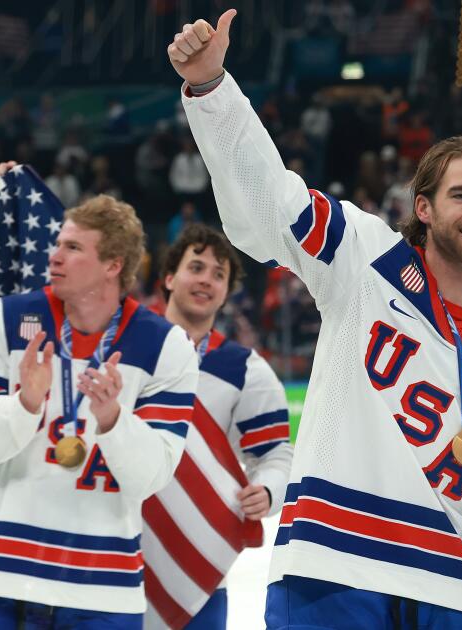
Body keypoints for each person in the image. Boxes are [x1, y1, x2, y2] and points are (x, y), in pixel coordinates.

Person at [169, 10, 462, 628]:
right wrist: (213, 90)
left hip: (456, 590)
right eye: (461, 196)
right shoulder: (365, 256)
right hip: (333, 568)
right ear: (422, 207)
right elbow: (269, 204)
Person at [0, 168, 199, 629]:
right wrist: (24, 404)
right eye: (59, 242)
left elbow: (156, 473)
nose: (54, 255)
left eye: (72, 248)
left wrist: (113, 420)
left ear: (113, 265)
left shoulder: (166, 345)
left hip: (103, 585)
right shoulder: (5, 318)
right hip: (3, 578)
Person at [144, 224, 293, 628]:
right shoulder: (128, 345)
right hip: (118, 553)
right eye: (197, 267)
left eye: (219, 274)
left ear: (226, 292)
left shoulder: (245, 369)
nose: (207, 279)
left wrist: (267, 490)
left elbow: (276, 452)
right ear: (169, 278)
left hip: (199, 564)